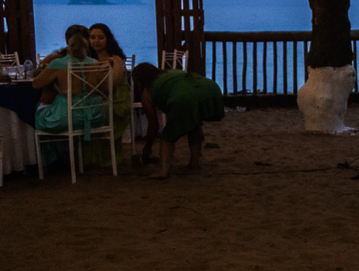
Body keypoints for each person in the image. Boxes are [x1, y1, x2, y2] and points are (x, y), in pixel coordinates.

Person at [131, 62, 224, 179]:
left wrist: (147, 147)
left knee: (167, 137)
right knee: (193, 125)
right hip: (209, 88)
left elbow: (154, 126)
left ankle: (163, 171)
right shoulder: (170, 72)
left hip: (184, 96)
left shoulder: (147, 92)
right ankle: (194, 163)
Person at [31, 31, 107, 165]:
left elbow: (36, 84)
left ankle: (48, 160)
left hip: (67, 117)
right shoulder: (95, 63)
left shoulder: (58, 63)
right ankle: (65, 156)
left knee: (38, 114)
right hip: (95, 116)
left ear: (68, 46)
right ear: (87, 45)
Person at [83, 23, 131, 166]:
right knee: (81, 109)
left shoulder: (115, 59)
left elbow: (111, 87)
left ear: (107, 39)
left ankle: (102, 158)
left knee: (92, 111)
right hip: (97, 97)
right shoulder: (87, 59)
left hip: (117, 99)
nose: (96, 41)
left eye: (100, 37)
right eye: (92, 37)